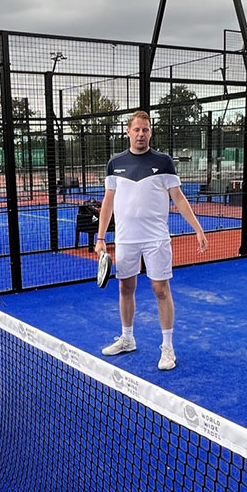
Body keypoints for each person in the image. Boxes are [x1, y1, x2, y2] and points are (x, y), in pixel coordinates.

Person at [94, 110, 209, 371]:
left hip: (156, 238)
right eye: (136, 129)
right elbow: (108, 201)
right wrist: (101, 238)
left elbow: (178, 197)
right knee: (125, 288)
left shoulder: (164, 162)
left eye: (145, 129)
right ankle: (127, 338)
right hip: (126, 238)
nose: (141, 134)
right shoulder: (115, 164)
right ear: (128, 132)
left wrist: (198, 229)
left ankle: (167, 347)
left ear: (150, 132)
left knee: (160, 289)